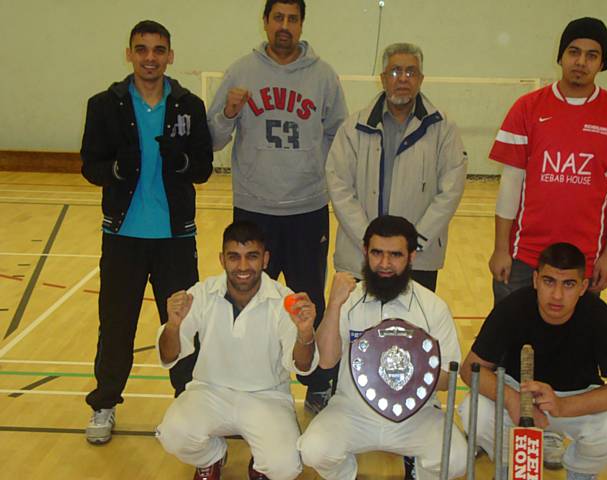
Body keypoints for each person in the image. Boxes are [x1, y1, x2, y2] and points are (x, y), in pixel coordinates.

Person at [207, 0, 348, 413]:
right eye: (278, 18)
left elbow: (341, 141)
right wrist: (229, 112)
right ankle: (247, 384)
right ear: (265, 22)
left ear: (302, 24)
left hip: (306, 209)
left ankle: (319, 383)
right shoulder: (240, 72)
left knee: (309, 302)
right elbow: (213, 139)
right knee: (248, 302)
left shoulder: (323, 76)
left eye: (292, 19)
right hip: (254, 210)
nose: (284, 26)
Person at [80, 20, 213, 445]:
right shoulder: (105, 104)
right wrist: (117, 168)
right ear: (130, 54)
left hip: (175, 238)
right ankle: (104, 405)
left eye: (158, 50)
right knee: (116, 324)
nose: (150, 57)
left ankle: (189, 401)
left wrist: (178, 162)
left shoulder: (189, 105)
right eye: (142, 49)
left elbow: (204, 168)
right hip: (123, 236)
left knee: (182, 323)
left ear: (170, 55)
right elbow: (90, 165)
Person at [298, 215, 467, 480]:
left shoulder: (432, 307)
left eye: (395, 255)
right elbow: (327, 362)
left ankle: (418, 473)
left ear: (411, 256)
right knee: (312, 450)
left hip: (416, 414)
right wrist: (333, 306)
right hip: (353, 411)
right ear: (365, 252)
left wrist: (410, 367)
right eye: (377, 253)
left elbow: (448, 379)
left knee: (456, 459)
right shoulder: (348, 301)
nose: (385, 264)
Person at [488, 17, 607, 305]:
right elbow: (510, 184)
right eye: (573, 52)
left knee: (574, 348)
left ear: (602, 63)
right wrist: (500, 249)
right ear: (560, 56)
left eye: (592, 55)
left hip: (584, 263)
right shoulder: (526, 108)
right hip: (523, 257)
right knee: (508, 343)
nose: (581, 61)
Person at [459, 242, 607, 480]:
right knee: (476, 411)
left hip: (576, 402)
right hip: (518, 395)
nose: (557, 295)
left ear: (583, 287)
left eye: (569, 284)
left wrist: (563, 406)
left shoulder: (598, 315)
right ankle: (508, 466)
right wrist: (513, 400)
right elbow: (470, 369)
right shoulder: (513, 308)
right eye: (549, 281)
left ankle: (580, 472)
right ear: (535, 280)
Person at [156, 221, 318, 480]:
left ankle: (262, 463)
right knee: (172, 435)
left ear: (265, 259)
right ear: (222, 259)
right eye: (234, 257)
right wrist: (173, 326)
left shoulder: (284, 299)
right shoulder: (201, 293)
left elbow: (302, 365)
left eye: (251, 257)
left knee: (285, 467)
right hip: (209, 391)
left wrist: (306, 333)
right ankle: (212, 457)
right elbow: (168, 355)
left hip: (266, 396)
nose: (243, 267)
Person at [326, 42, 467, 293]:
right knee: (355, 331)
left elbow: (450, 190)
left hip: (417, 259)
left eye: (411, 72)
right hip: (359, 258)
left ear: (421, 79)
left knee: (412, 331)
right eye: (395, 71)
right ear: (382, 78)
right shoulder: (353, 128)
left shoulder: (443, 129)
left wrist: (414, 243)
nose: (403, 78)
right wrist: (370, 242)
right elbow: (339, 187)